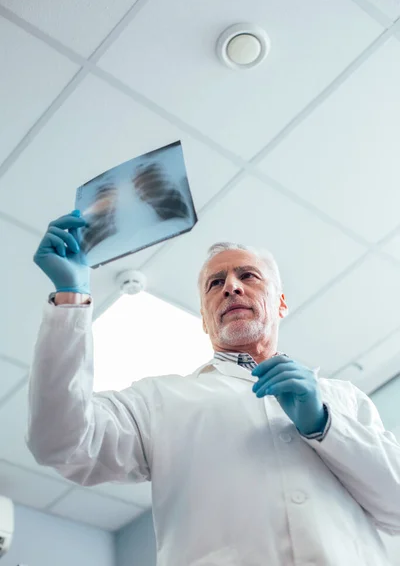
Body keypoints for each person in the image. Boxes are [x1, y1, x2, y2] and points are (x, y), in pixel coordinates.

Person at [28, 211, 400, 566]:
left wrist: (325, 424)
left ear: (281, 303)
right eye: (215, 283)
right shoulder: (158, 402)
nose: (231, 287)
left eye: (248, 276)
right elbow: (62, 442)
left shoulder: (346, 400)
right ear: (205, 320)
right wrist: (71, 296)